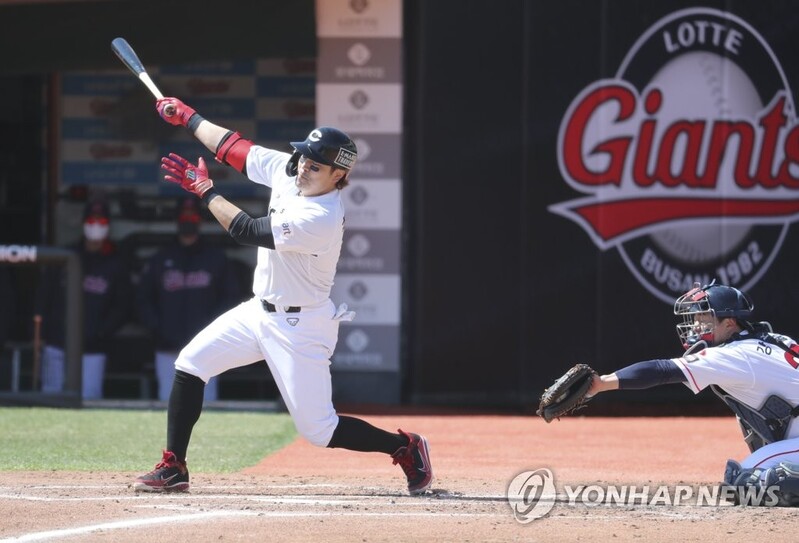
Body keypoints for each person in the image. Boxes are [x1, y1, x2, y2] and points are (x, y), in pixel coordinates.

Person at [133, 96, 433, 495]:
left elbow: (246, 230)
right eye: (305, 157)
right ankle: (174, 466)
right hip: (258, 311)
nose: (304, 167)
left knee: (320, 431)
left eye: (316, 165)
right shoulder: (292, 171)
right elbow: (232, 147)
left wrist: (205, 190)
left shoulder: (322, 217)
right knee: (190, 363)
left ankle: (404, 447)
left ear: (339, 175)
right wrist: (186, 116)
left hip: (301, 326)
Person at [585, 281, 799, 505]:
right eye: (696, 319)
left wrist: (602, 383)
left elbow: (662, 370)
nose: (696, 326)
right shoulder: (772, 340)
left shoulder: (734, 354)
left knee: (743, 483)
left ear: (729, 323)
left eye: (704, 319)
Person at [137, 197, 240, 403]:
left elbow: (230, 298)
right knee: (168, 402)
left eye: (192, 217)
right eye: (184, 218)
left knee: (206, 403)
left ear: (199, 221)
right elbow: (143, 299)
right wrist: (158, 328)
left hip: (207, 347)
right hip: (167, 346)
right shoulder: (161, 258)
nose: (188, 222)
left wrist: (214, 329)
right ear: (177, 221)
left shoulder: (215, 258)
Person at [36, 199, 132, 399]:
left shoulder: (115, 263)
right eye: (91, 220)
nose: (96, 226)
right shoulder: (65, 255)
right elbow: (45, 296)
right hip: (57, 342)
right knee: (50, 396)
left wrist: (102, 332)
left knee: (89, 397)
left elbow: (122, 306)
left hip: (93, 347)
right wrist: (43, 330)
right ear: (83, 223)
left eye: (101, 221)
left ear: (108, 225)